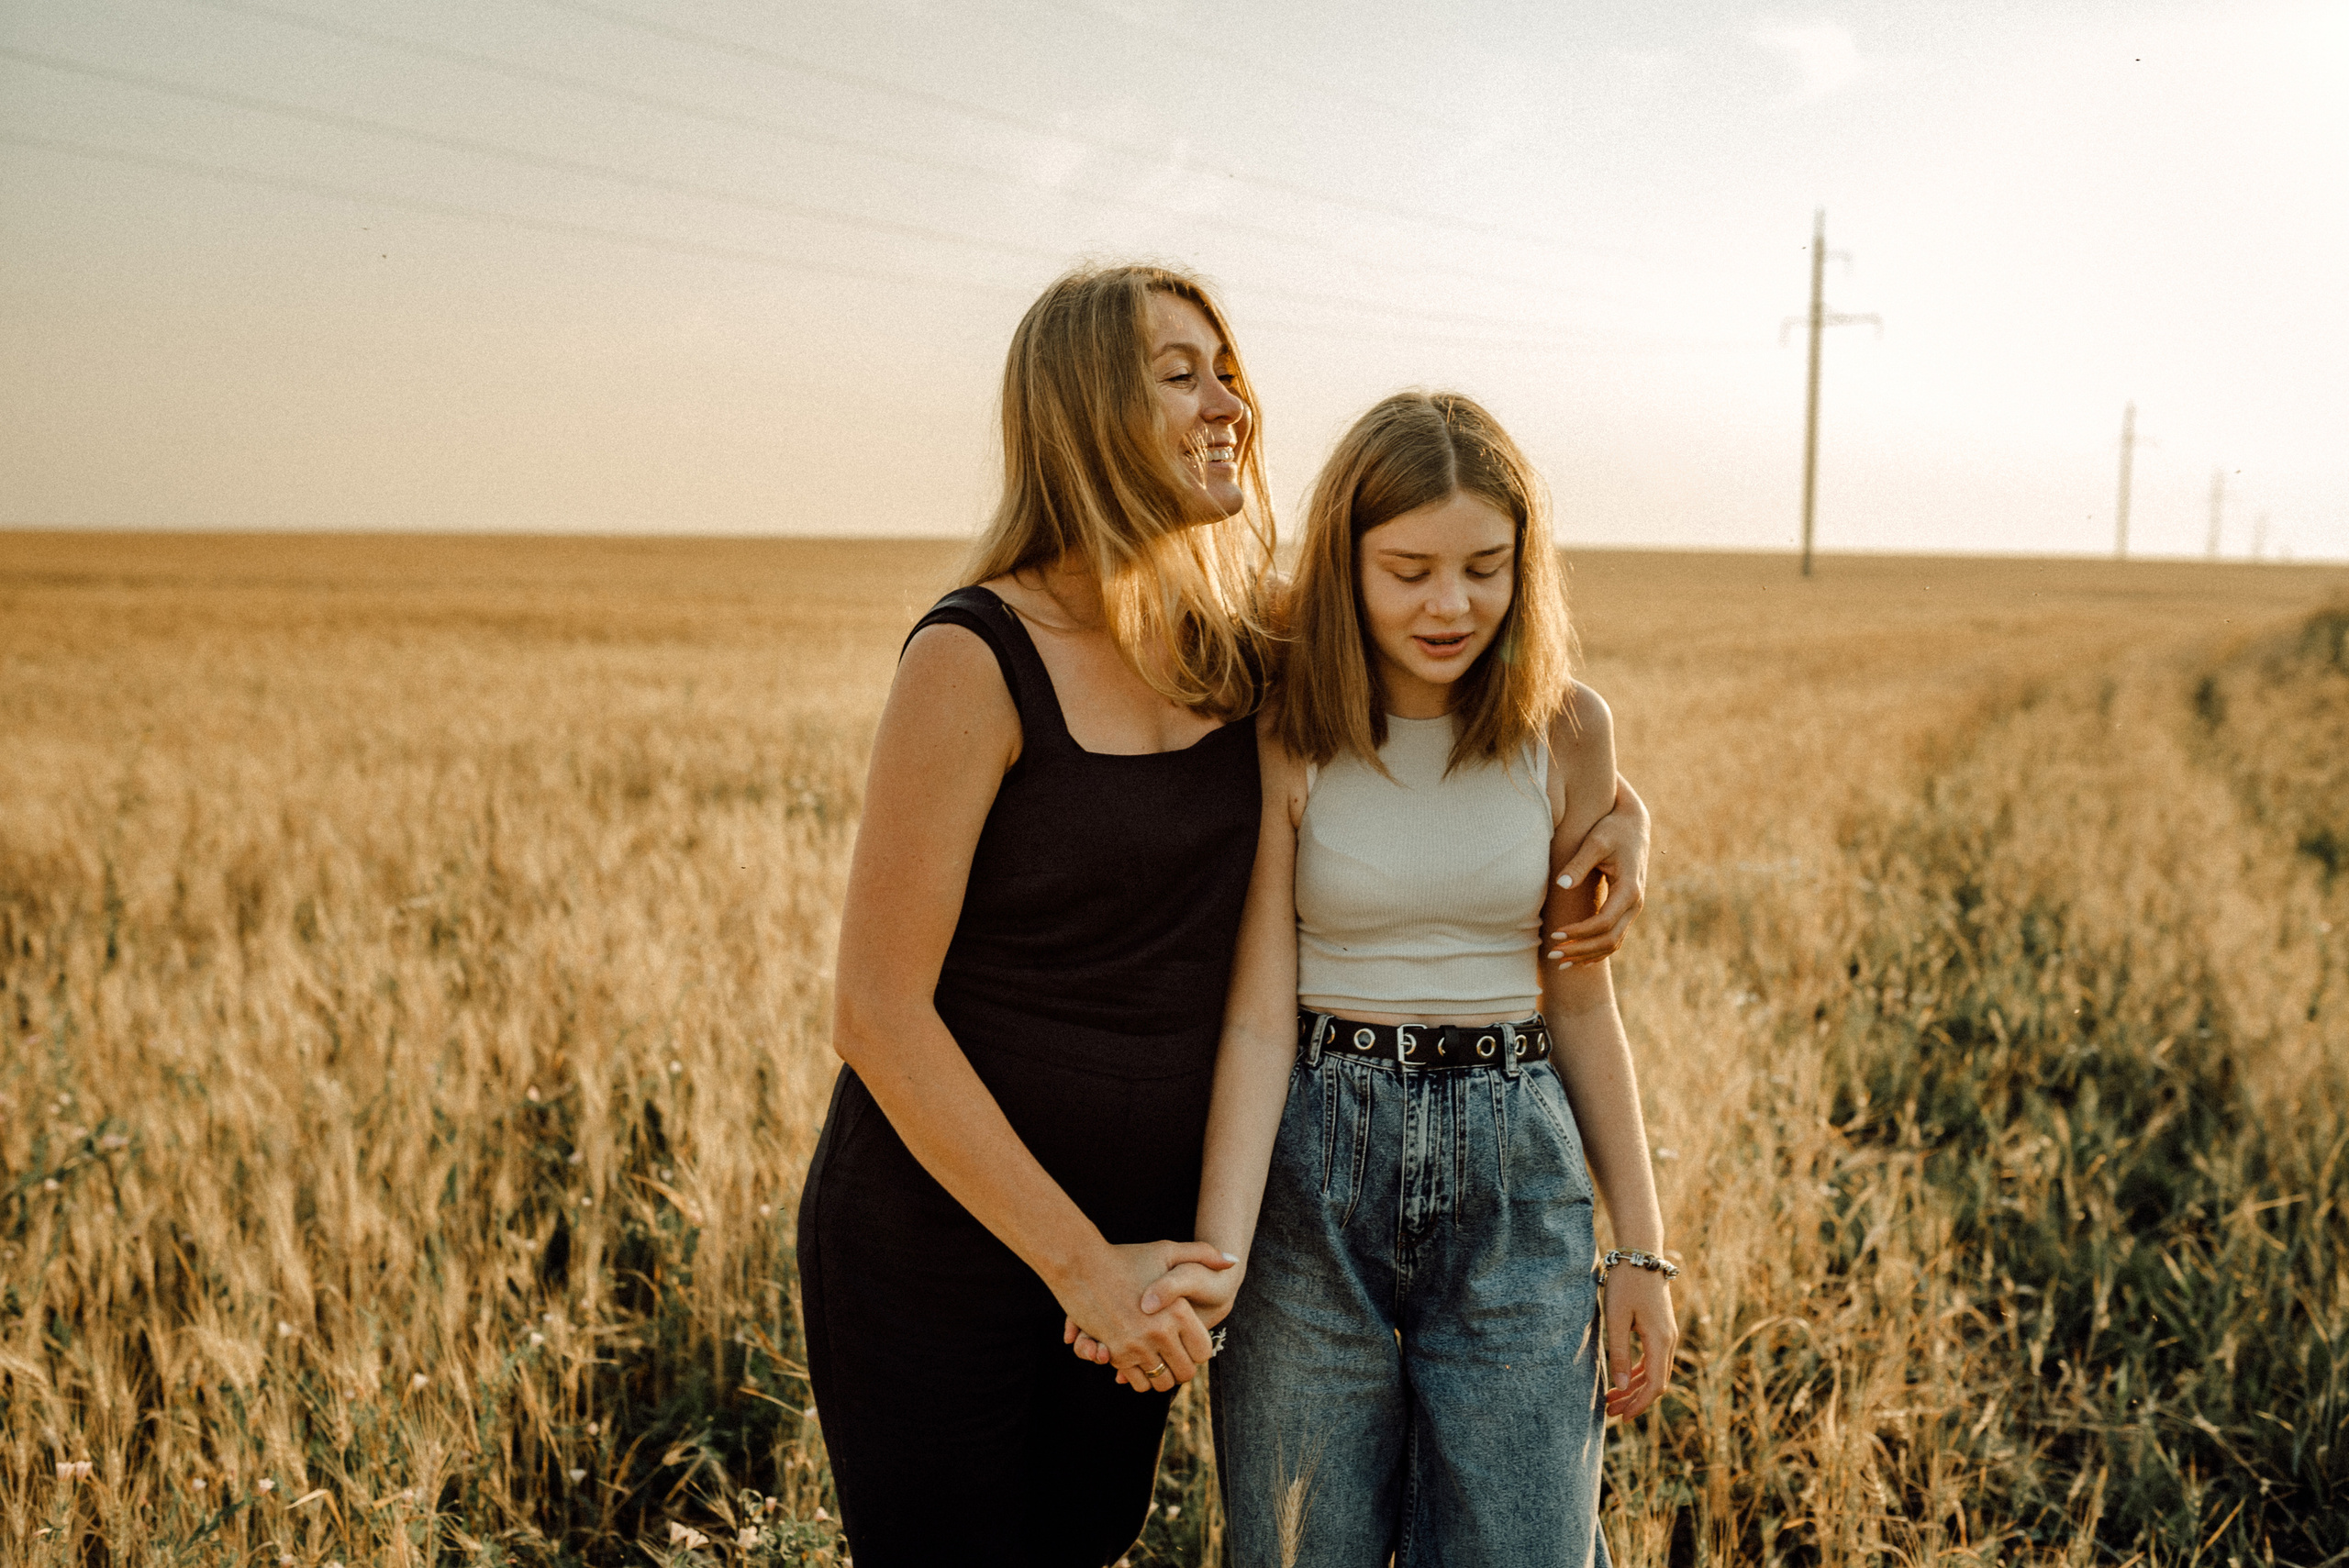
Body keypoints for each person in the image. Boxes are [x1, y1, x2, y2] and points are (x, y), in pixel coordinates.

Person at [798, 267, 1651, 1567]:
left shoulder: (1238, 646)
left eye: (1229, 370)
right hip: (953, 1239)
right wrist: (1081, 1265)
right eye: (1180, 374)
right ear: (1081, 412)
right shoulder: (971, 658)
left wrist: (1623, 813)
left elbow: (1459, 700)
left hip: (1148, 1233)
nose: (1230, 406)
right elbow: (876, 1012)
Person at [1091, 390, 1678, 1565]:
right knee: (1299, 1544)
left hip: (1517, 1172)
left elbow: (1578, 997)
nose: (1449, 604)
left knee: (1528, 1547)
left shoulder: (1567, 731)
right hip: (1317, 1159)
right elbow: (1261, 1017)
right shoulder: (1290, 725)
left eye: (1484, 567)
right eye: (1406, 568)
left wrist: (1641, 1251)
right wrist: (1223, 1253)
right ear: (1345, 564)